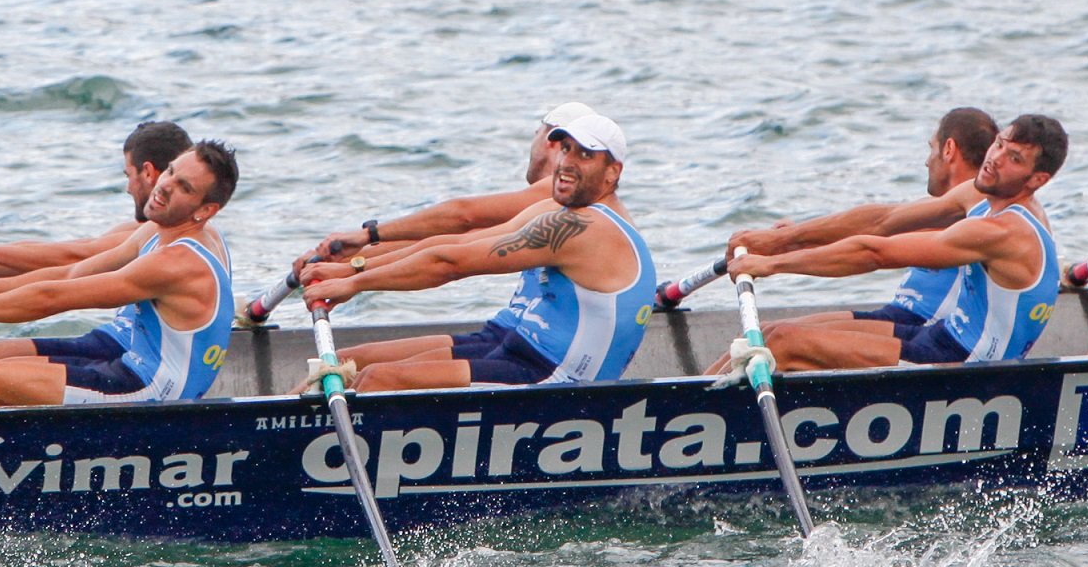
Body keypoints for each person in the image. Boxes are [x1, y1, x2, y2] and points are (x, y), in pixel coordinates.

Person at [298, 110, 656, 391]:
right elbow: (461, 242)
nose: (567, 162)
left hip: (556, 381)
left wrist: (353, 284)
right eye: (565, 149)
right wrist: (351, 268)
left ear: (612, 173)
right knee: (351, 367)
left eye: (585, 155)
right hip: (518, 350)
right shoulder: (564, 213)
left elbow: (450, 264)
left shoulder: (584, 228)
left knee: (379, 380)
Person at [712, 115, 1067, 373]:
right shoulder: (979, 193)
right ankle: (694, 396)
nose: (995, 158)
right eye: (999, 144)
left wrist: (771, 265)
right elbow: (883, 221)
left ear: (1037, 180)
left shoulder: (1006, 232)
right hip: (940, 337)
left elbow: (875, 253)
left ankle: (695, 423)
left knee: (783, 344)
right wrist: (783, 240)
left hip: (966, 368)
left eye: (1014, 158)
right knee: (769, 334)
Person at [0, 142, 237, 408]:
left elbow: (55, 298)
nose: (164, 186)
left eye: (183, 187)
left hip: (151, 389)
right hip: (126, 353)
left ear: (205, 210)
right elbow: (70, 274)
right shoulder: (156, 229)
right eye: (171, 172)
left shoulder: (177, 262)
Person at [725, 106, 999, 334]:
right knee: (768, 332)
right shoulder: (948, 208)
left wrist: (779, 252)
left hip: (927, 329)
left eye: (931, 148)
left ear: (949, 149)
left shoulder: (968, 216)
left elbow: (873, 246)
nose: (927, 161)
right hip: (902, 315)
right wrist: (791, 241)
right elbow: (879, 225)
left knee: (777, 339)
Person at [0, 120, 192, 288]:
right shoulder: (145, 230)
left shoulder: (168, 236)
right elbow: (51, 255)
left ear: (148, 172)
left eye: (128, 176)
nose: (128, 188)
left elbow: (70, 260)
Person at [298, 102, 597, 266]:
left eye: (535, 133)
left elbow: (463, 216)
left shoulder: (555, 195)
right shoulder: (556, 204)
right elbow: (458, 237)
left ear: (550, 141)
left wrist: (366, 241)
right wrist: (347, 260)